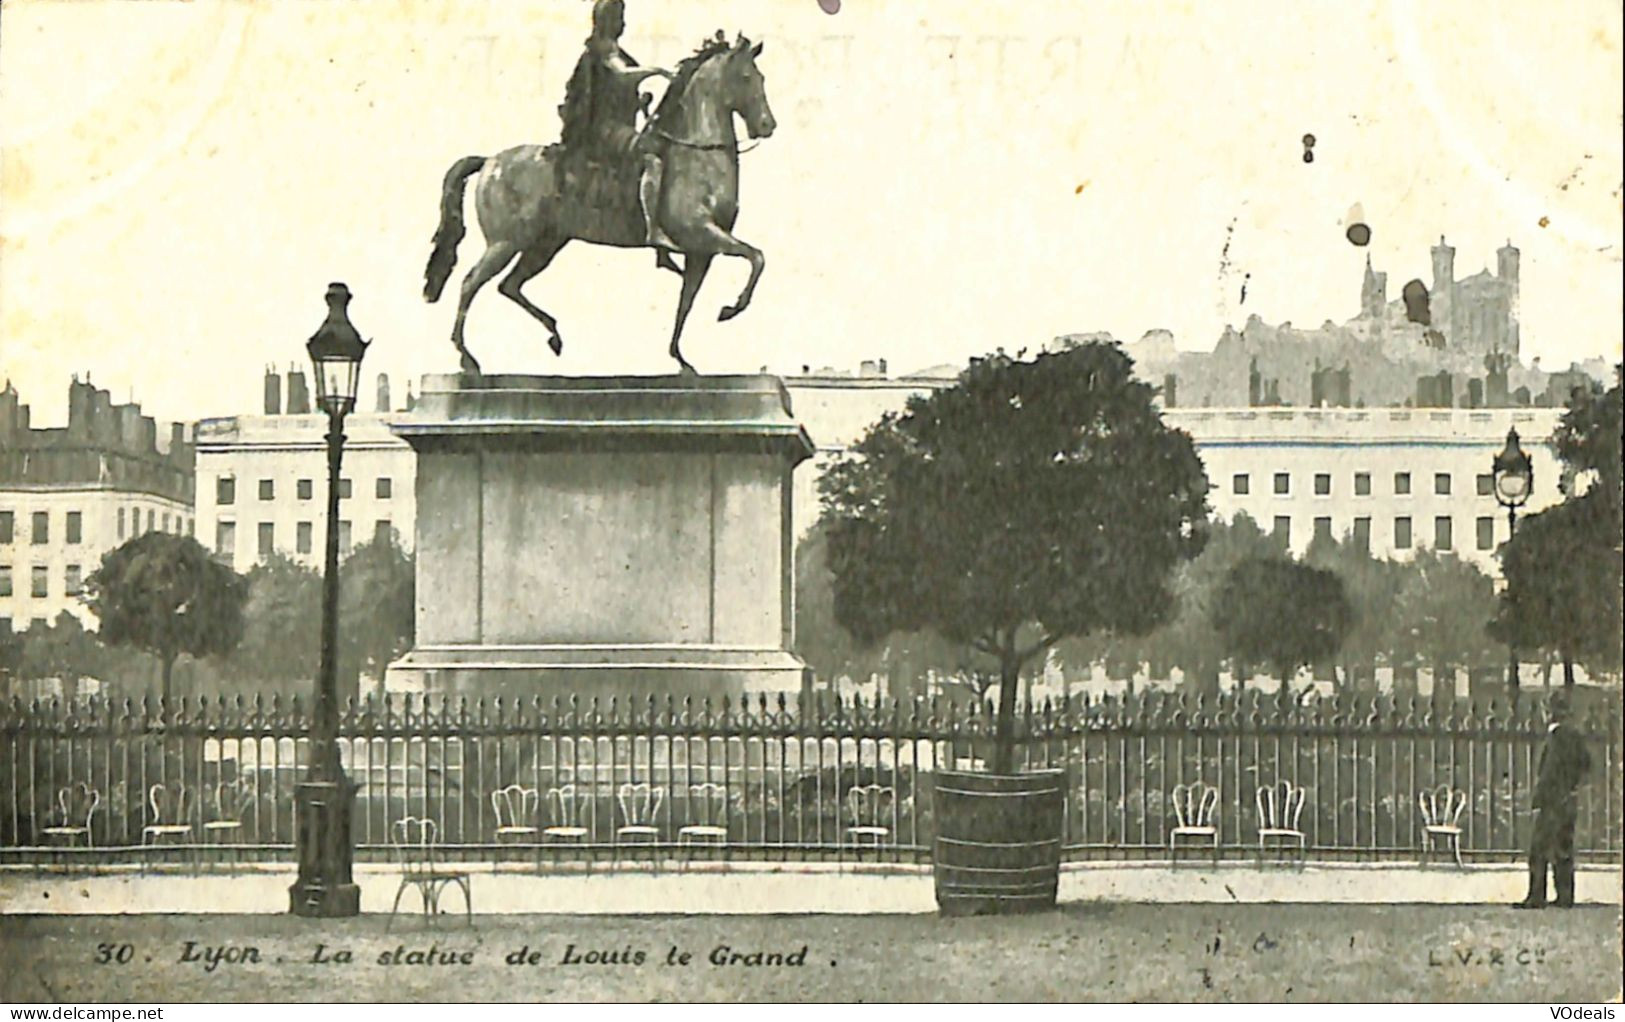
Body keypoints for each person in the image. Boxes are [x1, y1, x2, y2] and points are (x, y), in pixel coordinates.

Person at [557, 0, 676, 249]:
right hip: (602, 130)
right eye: (619, 17)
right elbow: (622, 75)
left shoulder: (616, 51)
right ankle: (653, 229)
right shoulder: (602, 49)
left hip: (617, 126)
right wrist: (657, 71)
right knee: (652, 160)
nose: (623, 23)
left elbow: (621, 89)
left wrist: (640, 101)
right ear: (608, 20)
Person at [1514, 691, 1592, 909]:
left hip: (1551, 801)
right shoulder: (1575, 736)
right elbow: (1587, 764)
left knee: (1539, 849)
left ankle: (1536, 896)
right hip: (1569, 800)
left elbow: (1548, 773)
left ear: (1549, 712)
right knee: (1564, 848)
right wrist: (1573, 786)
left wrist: (1538, 798)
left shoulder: (1555, 738)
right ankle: (1565, 897)